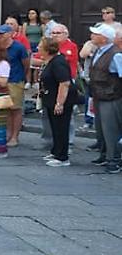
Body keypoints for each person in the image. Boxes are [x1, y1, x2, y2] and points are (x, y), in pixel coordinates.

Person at [87, 23, 122, 174]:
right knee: (101, 128)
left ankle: (114, 159)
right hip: (98, 95)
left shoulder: (116, 55)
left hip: (111, 96)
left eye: (95, 34)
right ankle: (104, 154)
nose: (92, 36)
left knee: (110, 129)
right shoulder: (98, 51)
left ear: (104, 38)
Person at [38, 37, 74, 167]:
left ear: (48, 49)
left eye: (40, 46)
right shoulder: (50, 61)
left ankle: (62, 156)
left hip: (60, 100)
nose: (38, 48)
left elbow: (64, 83)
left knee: (61, 128)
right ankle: (56, 151)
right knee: (54, 127)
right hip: (50, 99)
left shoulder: (58, 62)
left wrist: (60, 103)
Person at [0, 24, 29, 147]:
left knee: (16, 109)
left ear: (9, 34)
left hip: (15, 80)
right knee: (5, 109)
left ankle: (15, 136)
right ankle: (8, 134)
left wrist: (22, 77)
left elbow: (26, 63)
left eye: (2, 34)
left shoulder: (18, 47)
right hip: (2, 80)